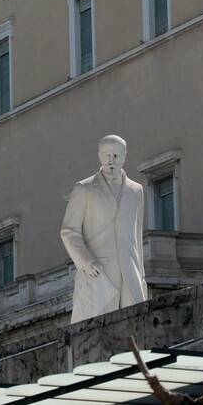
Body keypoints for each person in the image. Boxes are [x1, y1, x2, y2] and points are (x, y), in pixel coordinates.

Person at [60, 134, 147, 323]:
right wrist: (86, 262)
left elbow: (136, 235)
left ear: (124, 156)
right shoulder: (84, 189)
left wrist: (141, 275)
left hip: (130, 273)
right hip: (99, 273)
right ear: (99, 156)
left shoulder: (136, 190)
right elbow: (69, 231)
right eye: (107, 155)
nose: (111, 160)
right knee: (96, 330)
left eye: (116, 155)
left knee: (136, 329)